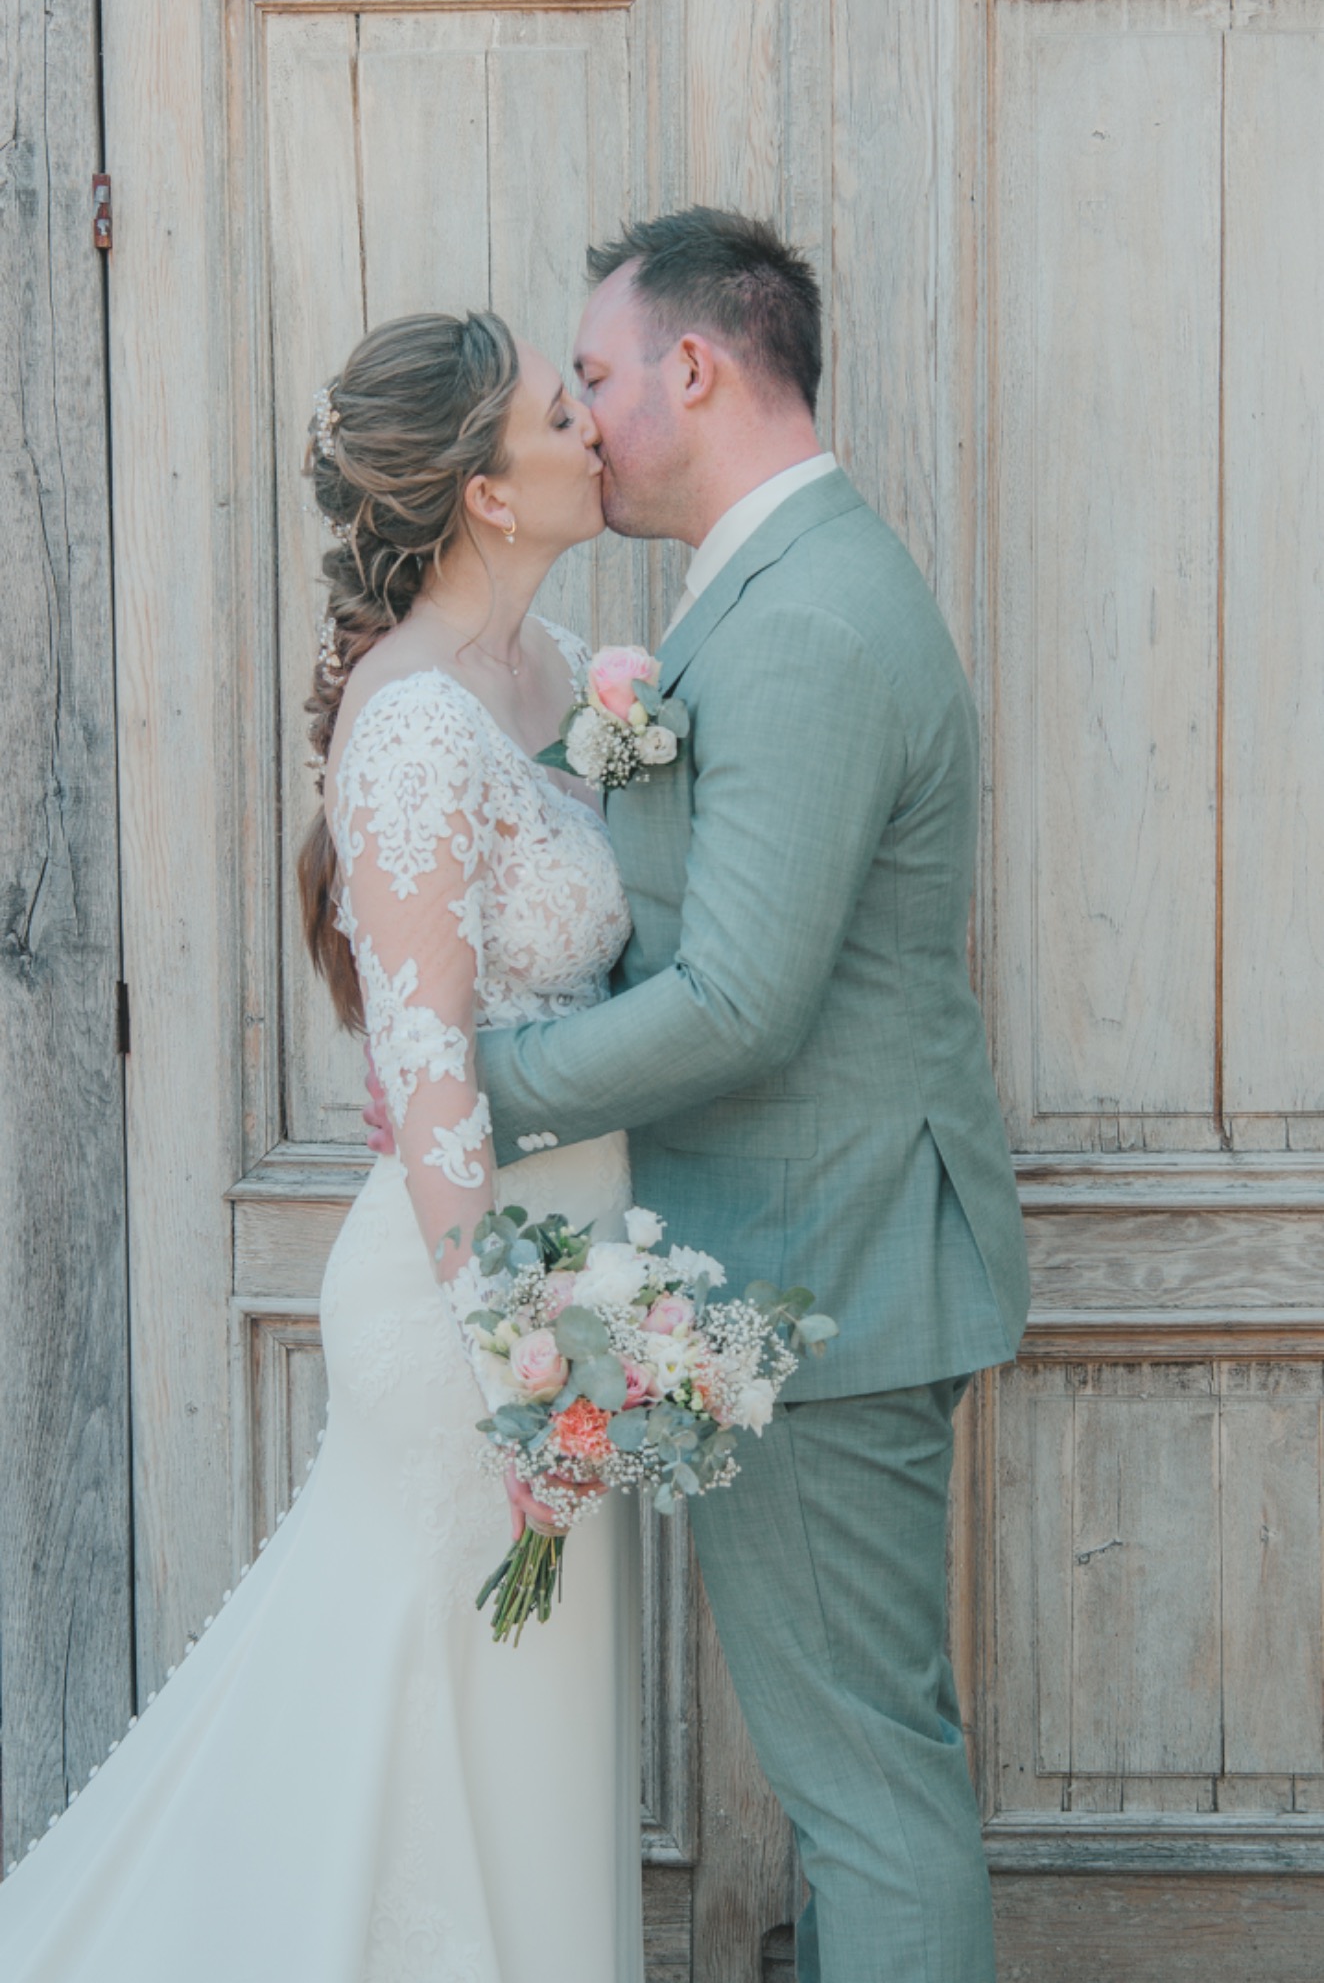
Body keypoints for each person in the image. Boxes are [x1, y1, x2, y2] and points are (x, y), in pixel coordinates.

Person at [367, 207, 1032, 1983]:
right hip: (812, 1254)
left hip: (831, 1266)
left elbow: (739, 996)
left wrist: (472, 1086)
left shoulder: (803, 615)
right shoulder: (762, 591)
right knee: (862, 1778)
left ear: (693, 366)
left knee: (868, 1791)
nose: (584, 418)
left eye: (594, 376)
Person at [0, 311, 644, 1983]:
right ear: (486, 492)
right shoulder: (416, 722)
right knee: (422, 1733)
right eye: (558, 412)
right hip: (468, 1311)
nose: (595, 424)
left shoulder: (568, 676)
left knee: (530, 1746)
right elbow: (426, 1070)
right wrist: (515, 1360)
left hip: (577, 1284)